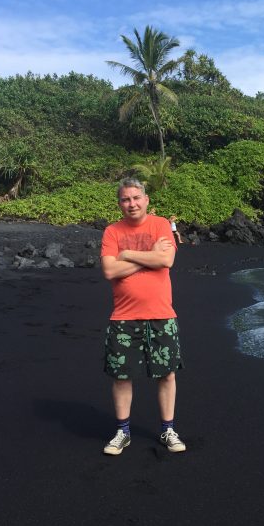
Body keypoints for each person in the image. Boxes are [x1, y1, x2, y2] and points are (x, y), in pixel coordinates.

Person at [100, 177, 185, 455]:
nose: (131, 203)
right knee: (122, 376)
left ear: (146, 200)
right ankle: (122, 432)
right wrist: (148, 255)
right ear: (119, 203)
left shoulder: (161, 225)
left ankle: (167, 430)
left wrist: (127, 255)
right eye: (125, 199)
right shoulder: (112, 232)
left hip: (162, 314)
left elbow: (166, 260)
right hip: (123, 316)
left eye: (136, 198)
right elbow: (110, 271)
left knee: (167, 375)